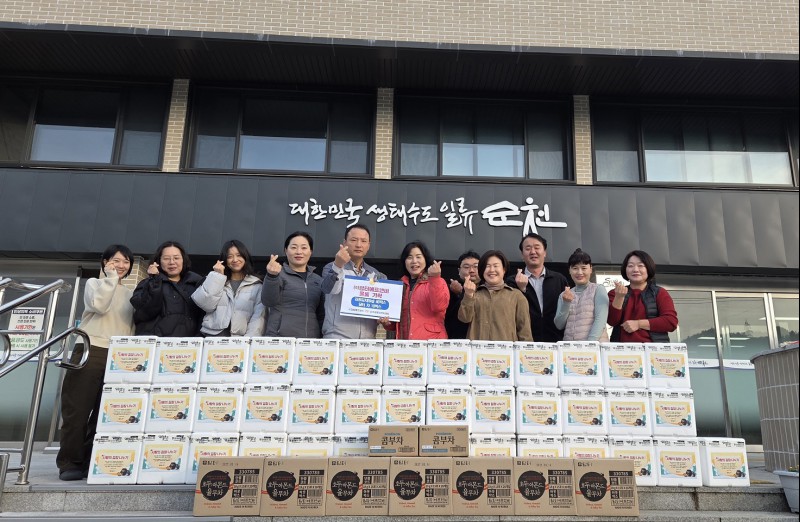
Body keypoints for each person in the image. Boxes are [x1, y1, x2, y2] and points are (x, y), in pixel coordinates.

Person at [57, 244, 135, 481]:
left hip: (119, 355)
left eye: (125, 262)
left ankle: (90, 461)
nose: (121, 265)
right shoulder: (94, 284)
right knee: (77, 410)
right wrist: (110, 278)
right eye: (115, 260)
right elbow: (99, 305)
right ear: (105, 262)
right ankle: (69, 462)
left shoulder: (131, 294)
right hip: (91, 348)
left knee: (104, 412)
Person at [320, 225, 386, 339]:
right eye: (354, 240)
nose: (359, 245)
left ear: (368, 245)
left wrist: (383, 316)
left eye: (363, 241)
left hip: (367, 342)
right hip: (337, 339)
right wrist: (338, 266)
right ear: (345, 242)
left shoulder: (375, 274)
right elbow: (328, 289)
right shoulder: (331, 267)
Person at [130, 241, 205, 337]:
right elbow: (145, 311)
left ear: (183, 260)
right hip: (156, 343)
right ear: (158, 261)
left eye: (176, 258)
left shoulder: (197, 284)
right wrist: (154, 281)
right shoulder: (148, 283)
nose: (172, 262)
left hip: (188, 344)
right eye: (166, 258)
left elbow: (204, 317)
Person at [192, 240, 265, 337]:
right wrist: (218, 277)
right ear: (224, 260)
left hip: (241, 339)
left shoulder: (256, 285)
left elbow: (258, 317)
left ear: (245, 257)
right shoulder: (214, 279)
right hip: (213, 337)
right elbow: (206, 305)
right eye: (230, 256)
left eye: (239, 255)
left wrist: (248, 341)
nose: (235, 260)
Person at [380, 240, 449, 340]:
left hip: (431, 344)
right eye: (409, 257)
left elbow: (439, 306)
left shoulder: (438, 281)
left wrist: (434, 278)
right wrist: (387, 323)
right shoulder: (400, 286)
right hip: (405, 344)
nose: (414, 261)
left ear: (425, 259)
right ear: (404, 261)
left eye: (418, 257)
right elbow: (394, 324)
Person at [458, 250, 532, 341]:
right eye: (487, 266)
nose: (492, 270)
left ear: (504, 270)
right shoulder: (474, 294)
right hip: (478, 349)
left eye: (496, 266)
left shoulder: (516, 296)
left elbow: (525, 331)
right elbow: (464, 318)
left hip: (506, 349)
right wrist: (468, 295)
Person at [507, 232, 569, 342]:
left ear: (544, 252)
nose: (533, 252)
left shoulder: (559, 279)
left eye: (537, 247)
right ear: (522, 255)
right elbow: (509, 313)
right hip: (524, 341)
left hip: (556, 341)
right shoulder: (512, 281)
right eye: (528, 248)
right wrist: (522, 290)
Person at [261, 231, 325, 338]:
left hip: (310, 341)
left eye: (304, 248)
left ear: (310, 251)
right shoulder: (278, 274)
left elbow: (322, 315)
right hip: (280, 339)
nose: (299, 252)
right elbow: (268, 301)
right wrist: (271, 276)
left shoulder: (318, 280)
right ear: (286, 250)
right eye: (294, 247)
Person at [607, 250, 678, 343]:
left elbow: (671, 322)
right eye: (630, 266)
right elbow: (612, 321)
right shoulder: (615, 293)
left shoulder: (659, 293)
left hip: (654, 349)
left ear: (648, 268)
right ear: (625, 269)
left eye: (640, 265)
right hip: (621, 350)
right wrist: (619, 297)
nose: (635, 270)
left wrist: (639, 324)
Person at [554, 248, 610, 342]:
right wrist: (566, 303)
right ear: (569, 270)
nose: (579, 272)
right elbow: (559, 325)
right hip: (570, 348)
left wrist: (589, 345)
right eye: (575, 268)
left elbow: (600, 320)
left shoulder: (598, 289)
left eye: (584, 268)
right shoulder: (564, 295)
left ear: (590, 269)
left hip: (595, 347)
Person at [444, 250, 480, 339]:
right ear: (459, 271)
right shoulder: (451, 287)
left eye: (476, 266)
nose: (471, 270)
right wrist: (458, 294)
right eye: (466, 267)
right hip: (457, 339)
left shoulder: (487, 288)